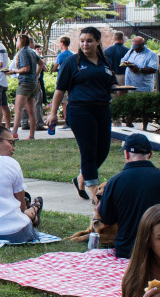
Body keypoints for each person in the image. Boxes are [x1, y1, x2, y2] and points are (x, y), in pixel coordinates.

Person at [46, 26, 116, 201]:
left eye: (89, 40)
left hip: (102, 109)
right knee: (88, 151)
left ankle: (81, 178)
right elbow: (60, 89)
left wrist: (119, 90)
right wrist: (53, 113)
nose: (85, 44)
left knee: (103, 150)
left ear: (98, 42)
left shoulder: (105, 62)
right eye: (82, 40)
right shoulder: (72, 62)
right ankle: (93, 193)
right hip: (80, 110)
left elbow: (111, 84)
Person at [97, 132, 160, 258]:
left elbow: (106, 219)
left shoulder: (115, 182)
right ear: (150, 154)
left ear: (126, 154)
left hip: (127, 250)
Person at [10, 32, 42, 139]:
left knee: (18, 109)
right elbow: (41, 64)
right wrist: (36, 75)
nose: (16, 42)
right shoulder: (31, 51)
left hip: (25, 83)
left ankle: (14, 133)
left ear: (21, 41)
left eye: (17, 40)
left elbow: (26, 68)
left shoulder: (23, 52)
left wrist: (13, 71)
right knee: (31, 111)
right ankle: (31, 135)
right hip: (33, 83)